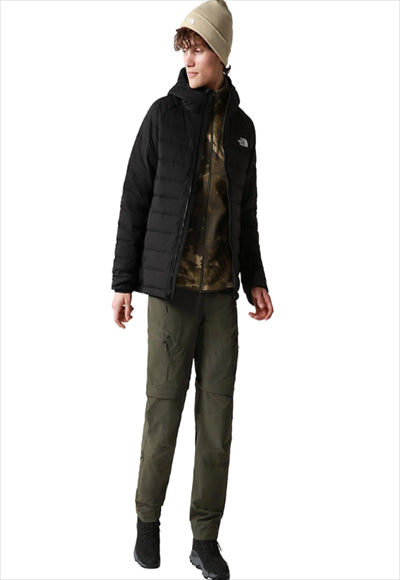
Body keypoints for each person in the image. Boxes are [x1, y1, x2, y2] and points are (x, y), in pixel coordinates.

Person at [111, 1, 274, 578]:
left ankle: (205, 539)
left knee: (217, 421)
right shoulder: (162, 116)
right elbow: (134, 198)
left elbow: (246, 214)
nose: (189, 58)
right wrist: (123, 282)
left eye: (199, 47)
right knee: (163, 411)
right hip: (171, 293)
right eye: (185, 48)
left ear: (221, 53)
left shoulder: (243, 130)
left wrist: (256, 279)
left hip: (221, 297)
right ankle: (147, 521)